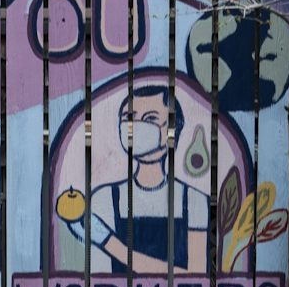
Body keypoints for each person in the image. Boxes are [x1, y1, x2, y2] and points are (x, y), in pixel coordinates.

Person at [67, 84, 212, 272]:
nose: (136, 127)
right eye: (129, 118)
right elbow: (100, 281)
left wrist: (109, 242)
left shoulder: (194, 200)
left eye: (151, 118)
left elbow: (194, 280)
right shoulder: (105, 199)